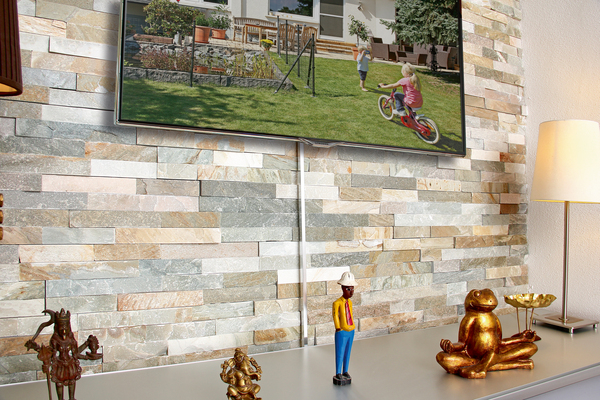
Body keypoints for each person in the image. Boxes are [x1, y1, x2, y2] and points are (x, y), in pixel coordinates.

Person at [332, 271, 357, 385]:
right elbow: (335, 315)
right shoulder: (337, 303)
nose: (351, 292)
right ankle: (338, 372)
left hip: (350, 330)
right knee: (340, 352)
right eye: (348, 289)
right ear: (342, 288)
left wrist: (352, 326)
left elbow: (350, 314)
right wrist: (338, 327)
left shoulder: (350, 302)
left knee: (348, 352)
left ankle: (345, 371)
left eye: (352, 289)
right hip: (342, 331)